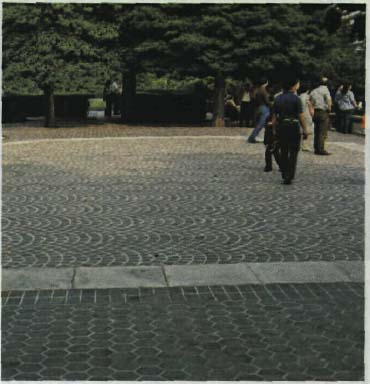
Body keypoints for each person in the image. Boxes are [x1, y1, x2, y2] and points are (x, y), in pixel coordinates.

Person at [271, 77, 308, 185]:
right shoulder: (296, 99)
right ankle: (290, 174)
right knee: (293, 151)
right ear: (294, 86)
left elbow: (274, 116)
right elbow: (301, 115)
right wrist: (305, 129)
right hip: (293, 125)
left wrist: (274, 129)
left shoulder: (278, 99)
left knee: (283, 150)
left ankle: (284, 171)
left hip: (282, 125)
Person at [309, 76, 332, 155]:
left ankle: (316, 147)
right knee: (322, 132)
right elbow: (328, 100)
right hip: (323, 111)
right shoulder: (326, 90)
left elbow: (310, 102)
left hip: (315, 111)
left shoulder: (313, 91)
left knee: (317, 131)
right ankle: (320, 149)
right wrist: (329, 108)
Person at [247, 78, 271, 143]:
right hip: (264, 108)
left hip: (259, 107)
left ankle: (267, 138)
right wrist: (271, 105)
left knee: (262, 124)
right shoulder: (263, 90)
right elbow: (267, 101)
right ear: (266, 83)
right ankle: (251, 138)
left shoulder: (257, 90)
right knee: (261, 124)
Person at [298, 82, 314, 151]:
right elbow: (310, 107)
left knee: (301, 129)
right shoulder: (307, 97)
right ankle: (304, 145)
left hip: (300, 114)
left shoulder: (299, 97)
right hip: (307, 115)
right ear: (308, 90)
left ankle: (300, 144)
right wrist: (312, 113)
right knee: (307, 130)